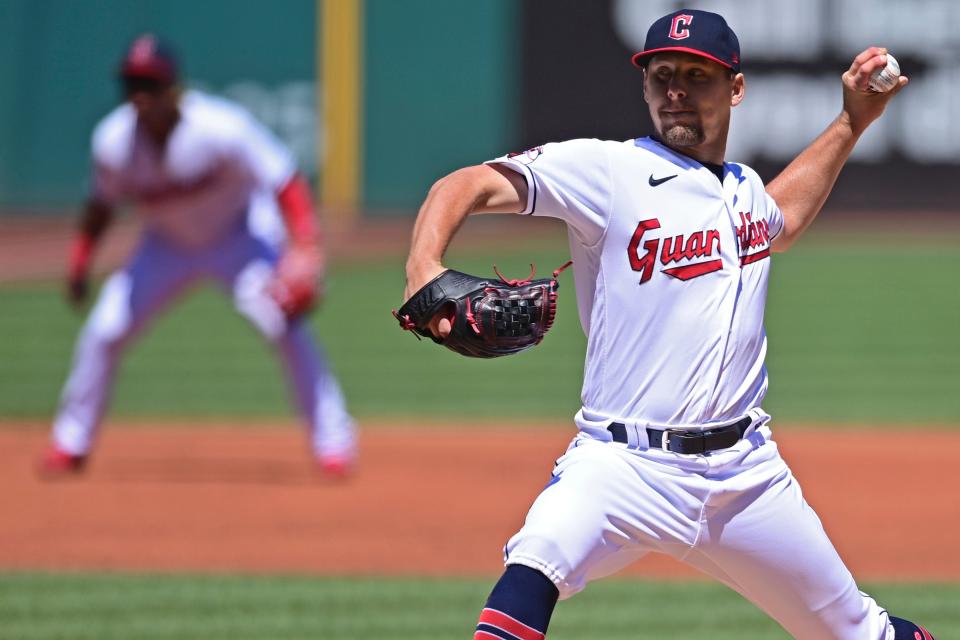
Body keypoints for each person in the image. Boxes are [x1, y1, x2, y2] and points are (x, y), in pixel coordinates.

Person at [401, 9, 935, 640]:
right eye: (662, 76)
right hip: (621, 465)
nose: (676, 90)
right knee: (532, 565)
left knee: (860, 631)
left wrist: (852, 121)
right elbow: (465, 184)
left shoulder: (742, 190)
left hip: (745, 477)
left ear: (735, 88)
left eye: (696, 76)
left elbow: (779, 220)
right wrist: (422, 268)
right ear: (646, 87)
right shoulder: (609, 171)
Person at [39, 34, 356, 478]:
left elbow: (284, 179)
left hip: (238, 236)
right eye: (131, 84)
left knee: (283, 325)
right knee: (105, 330)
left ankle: (334, 443)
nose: (140, 95)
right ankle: (71, 443)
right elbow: (101, 206)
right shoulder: (113, 141)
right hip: (165, 245)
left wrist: (304, 245)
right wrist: (79, 261)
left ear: (174, 88)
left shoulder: (220, 127)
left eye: (150, 84)